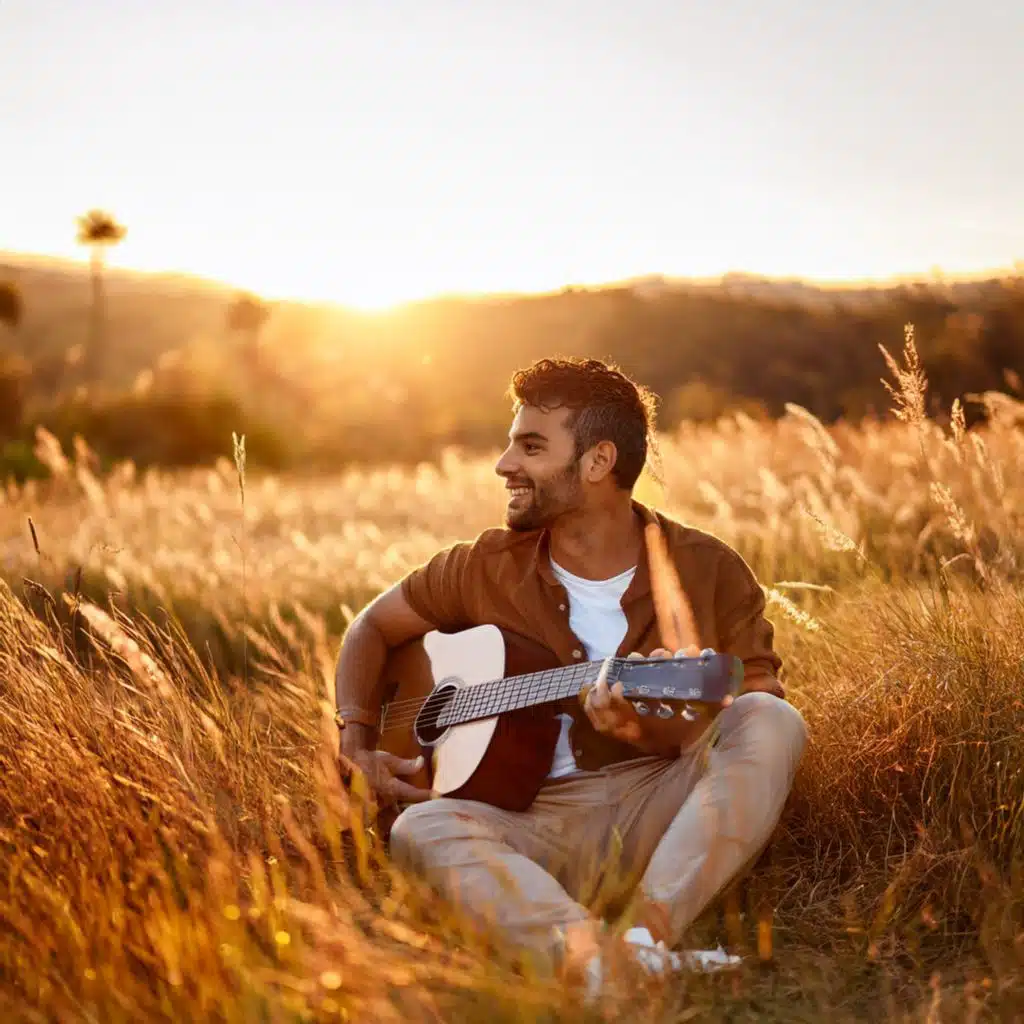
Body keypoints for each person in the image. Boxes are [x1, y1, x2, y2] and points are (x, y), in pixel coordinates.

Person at [333, 357, 807, 992]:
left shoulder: (708, 569)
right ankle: (597, 960)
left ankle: (642, 940)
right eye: (511, 444)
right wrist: (357, 741)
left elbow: (755, 699)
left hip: (657, 809)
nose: (504, 465)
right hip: (520, 825)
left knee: (772, 720)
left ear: (597, 462)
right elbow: (370, 627)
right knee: (420, 827)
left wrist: (649, 727)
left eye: (530, 447)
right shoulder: (481, 565)